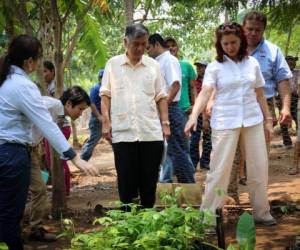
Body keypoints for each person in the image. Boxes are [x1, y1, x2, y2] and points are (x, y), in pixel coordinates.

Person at [0, 34, 98, 250]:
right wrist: (75, 158)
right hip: (11, 153)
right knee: (10, 213)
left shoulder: (6, 81)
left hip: (12, 151)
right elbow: (46, 124)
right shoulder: (23, 86)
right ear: (29, 62)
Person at [185, 23, 276, 226]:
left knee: (258, 167)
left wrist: (268, 121)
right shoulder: (215, 67)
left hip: (253, 120)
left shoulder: (252, 63)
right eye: (225, 43)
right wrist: (194, 116)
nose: (230, 47)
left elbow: (260, 94)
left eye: (233, 42)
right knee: (219, 170)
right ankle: (208, 218)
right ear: (220, 44)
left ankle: (261, 212)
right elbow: (205, 93)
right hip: (225, 121)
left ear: (241, 41)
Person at [100, 24, 170, 209]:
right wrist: (106, 123)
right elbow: (105, 95)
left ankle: (147, 223)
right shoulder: (112, 64)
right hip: (123, 133)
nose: (140, 49)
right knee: (126, 181)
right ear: (125, 42)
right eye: (135, 44)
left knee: (149, 182)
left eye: (144, 44)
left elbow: (161, 96)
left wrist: (165, 123)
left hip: (150, 133)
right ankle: (127, 224)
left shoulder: (153, 65)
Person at [28, 86, 91, 242]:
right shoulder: (50, 105)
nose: (81, 113)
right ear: (69, 103)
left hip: (30, 149)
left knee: (38, 189)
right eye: (80, 109)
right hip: (19, 148)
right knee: (36, 189)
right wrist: (74, 158)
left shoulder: (59, 113)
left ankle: (34, 229)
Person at [148, 33, 195, 183]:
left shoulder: (168, 60)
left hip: (172, 109)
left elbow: (175, 85)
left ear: (156, 45)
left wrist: (164, 106)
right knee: (172, 150)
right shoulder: (159, 61)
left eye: (148, 47)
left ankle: (188, 185)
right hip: (166, 109)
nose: (147, 51)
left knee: (178, 150)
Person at [43, 60, 72, 195]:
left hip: (59, 127)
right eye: (41, 72)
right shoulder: (46, 86)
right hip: (50, 128)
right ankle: (60, 188)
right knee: (51, 160)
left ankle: (64, 190)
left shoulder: (57, 87)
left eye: (45, 71)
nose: (43, 75)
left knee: (58, 159)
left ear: (53, 71)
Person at [164, 37, 197, 116]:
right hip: (166, 108)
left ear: (177, 48)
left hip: (184, 109)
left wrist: (194, 106)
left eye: (173, 45)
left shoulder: (186, 66)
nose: (170, 48)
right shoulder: (159, 65)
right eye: (167, 46)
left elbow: (193, 88)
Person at [190, 60, 212, 170]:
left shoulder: (211, 82)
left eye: (201, 67)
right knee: (194, 139)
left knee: (208, 139)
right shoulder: (195, 81)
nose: (199, 69)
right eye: (198, 67)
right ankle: (193, 162)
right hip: (197, 114)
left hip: (209, 113)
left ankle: (205, 162)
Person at [80, 69, 104, 161]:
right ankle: (83, 160)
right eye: (102, 77)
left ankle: (121, 159)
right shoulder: (96, 89)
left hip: (105, 119)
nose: (104, 79)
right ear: (99, 78)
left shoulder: (107, 88)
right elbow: (92, 104)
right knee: (93, 141)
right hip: (97, 120)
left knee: (113, 139)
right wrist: (99, 116)